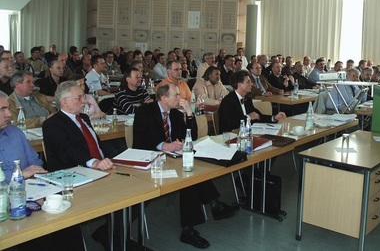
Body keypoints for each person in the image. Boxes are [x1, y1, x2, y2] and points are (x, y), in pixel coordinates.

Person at [133, 83, 239, 249]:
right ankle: (207, 211)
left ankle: (195, 222)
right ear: (163, 98)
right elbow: (139, 142)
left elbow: (190, 137)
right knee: (189, 176)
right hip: (151, 160)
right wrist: (162, 145)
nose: (180, 98)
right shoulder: (144, 113)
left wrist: (189, 113)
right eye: (175, 95)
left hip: (173, 158)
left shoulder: (175, 114)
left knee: (191, 171)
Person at [0, 91, 85, 251]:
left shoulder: (15, 133)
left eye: (8, 108)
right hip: (5, 207)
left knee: (67, 222)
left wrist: (37, 175)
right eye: (3, 109)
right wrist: (20, 175)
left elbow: (35, 162)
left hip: (31, 196)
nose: (8, 113)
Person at [42, 81, 116, 172]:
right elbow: (67, 150)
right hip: (74, 172)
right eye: (79, 98)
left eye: (83, 97)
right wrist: (93, 162)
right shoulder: (52, 124)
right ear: (65, 102)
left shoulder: (84, 118)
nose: (84, 101)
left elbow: (96, 145)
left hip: (102, 167)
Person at [219, 70, 286, 133]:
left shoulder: (247, 99)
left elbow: (258, 115)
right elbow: (231, 124)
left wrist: (274, 117)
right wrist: (249, 117)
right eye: (248, 82)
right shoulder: (228, 101)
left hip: (247, 133)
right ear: (239, 85)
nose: (251, 84)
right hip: (231, 136)